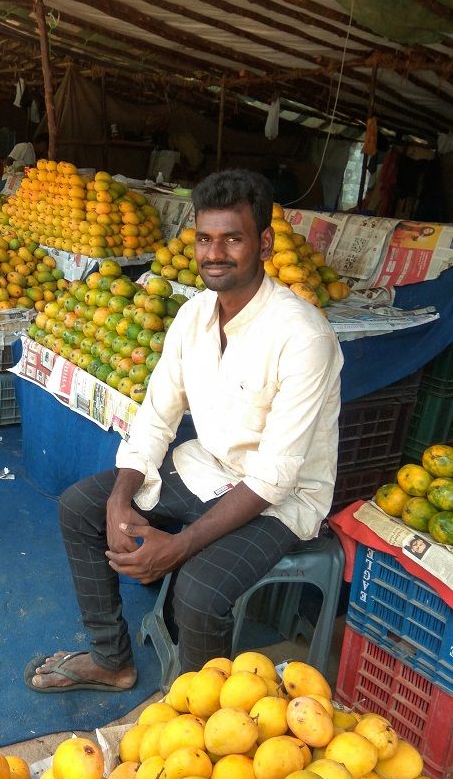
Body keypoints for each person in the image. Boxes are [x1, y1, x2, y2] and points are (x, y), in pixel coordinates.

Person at [25, 169, 343, 693]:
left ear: (263, 244)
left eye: (232, 239)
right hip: (206, 465)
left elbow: (274, 476)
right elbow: (155, 416)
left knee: (198, 591)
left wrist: (177, 548)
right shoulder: (193, 315)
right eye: (204, 238)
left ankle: (201, 717)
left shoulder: (303, 336)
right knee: (81, 505)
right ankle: (112, 659)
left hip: (279, 497)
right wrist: (118, 499)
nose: (214, 253)